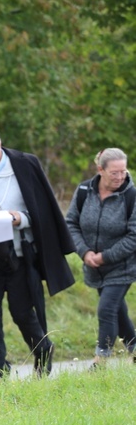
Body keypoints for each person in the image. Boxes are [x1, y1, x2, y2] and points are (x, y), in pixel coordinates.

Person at [0, 126, 75, 378]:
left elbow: (42, 212)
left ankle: (43, 351)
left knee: (22, 312)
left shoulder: (24, 165)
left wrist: (17, 218)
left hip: (19, 255)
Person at [66, 148, 136, 367]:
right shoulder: (84, 191)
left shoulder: (132, 196)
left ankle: (101, 359)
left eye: (123, 172)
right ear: (100, 170)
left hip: (123, 265)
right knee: (118, 310)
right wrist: (85, 252)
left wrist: (105, 257)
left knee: (106, 308)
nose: (119, 177)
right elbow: (71, 224)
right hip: (94, 266)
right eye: (114, 172)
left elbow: (134, 235)